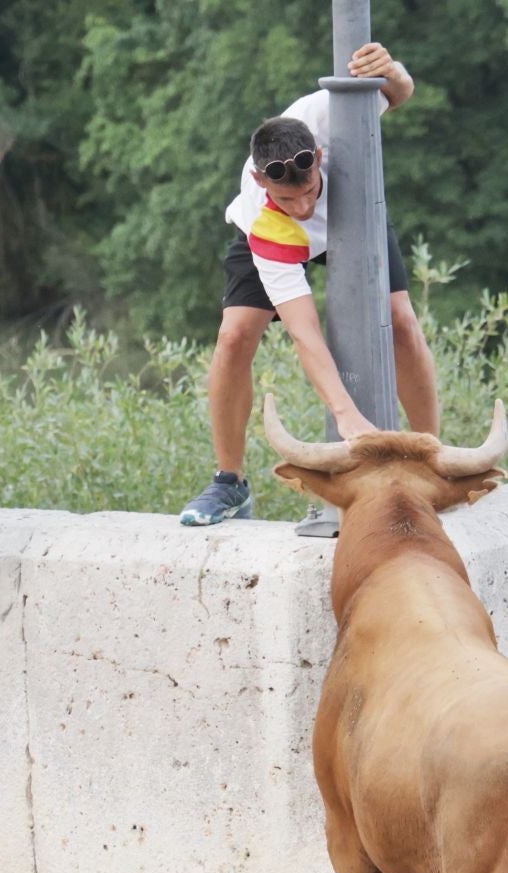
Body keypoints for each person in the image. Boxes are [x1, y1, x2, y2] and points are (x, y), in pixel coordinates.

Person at [179, 41, 442, 531]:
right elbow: (305, 332)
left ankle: (431, 461)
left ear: (319, 157)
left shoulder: (325, 113)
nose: (300, 205)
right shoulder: (267, 215)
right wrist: (346, 417)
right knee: (235, 337)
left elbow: (400, 92)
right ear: (261, 180)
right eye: (286, 196)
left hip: (354, 216)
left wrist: (392, 68)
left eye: (306, 191)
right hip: (281, 241)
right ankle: (229, 481)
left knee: (402, 322)